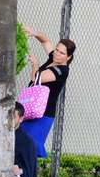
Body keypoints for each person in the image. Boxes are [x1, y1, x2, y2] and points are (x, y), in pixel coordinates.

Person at [21, 26, 76, 157]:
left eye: (62, 53)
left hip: (43, 114)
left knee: (31, 147)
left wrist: (35, 64)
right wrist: (34, 33)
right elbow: (45, 41)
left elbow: (36, 80)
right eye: (57, 50)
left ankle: (30, 174)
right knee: (22, 145)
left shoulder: (62, 70)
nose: (57, 53)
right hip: (31, 109)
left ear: (68, 57)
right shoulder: (53, 58)